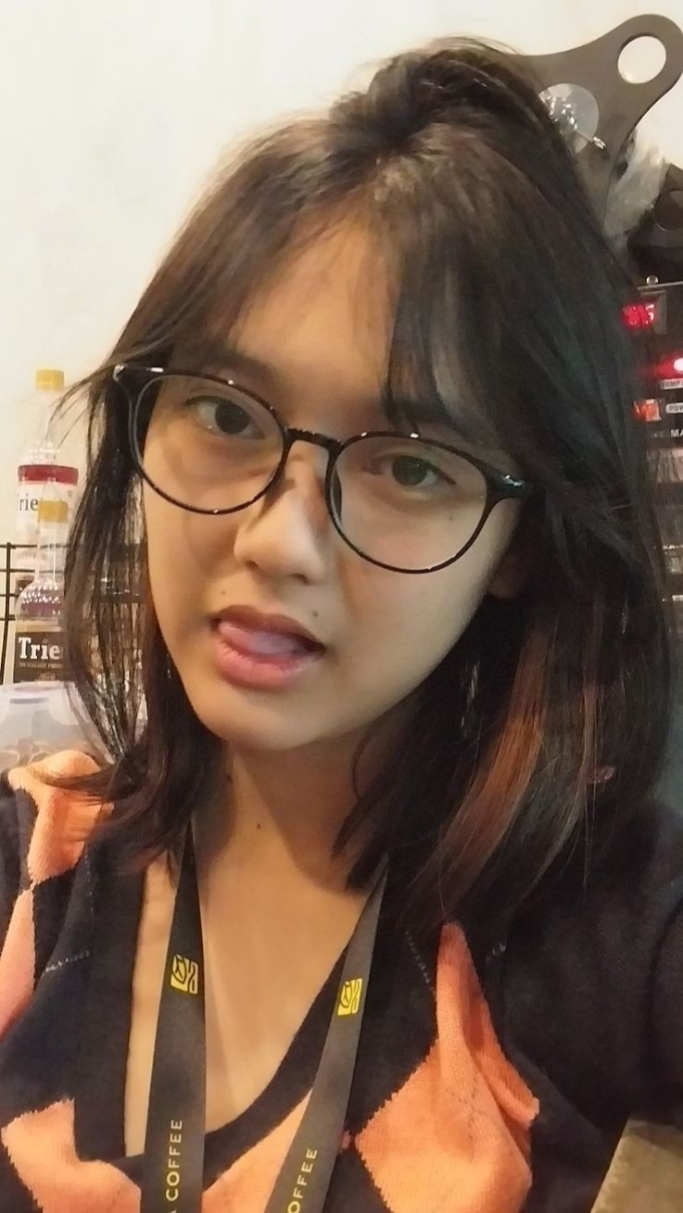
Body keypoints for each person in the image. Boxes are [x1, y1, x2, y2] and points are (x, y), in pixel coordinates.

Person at [0, 35, 679, 1213]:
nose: (278, 541)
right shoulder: (29, 867)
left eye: (408, 466)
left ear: (519, 544)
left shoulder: (607, 933)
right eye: (225, 413)